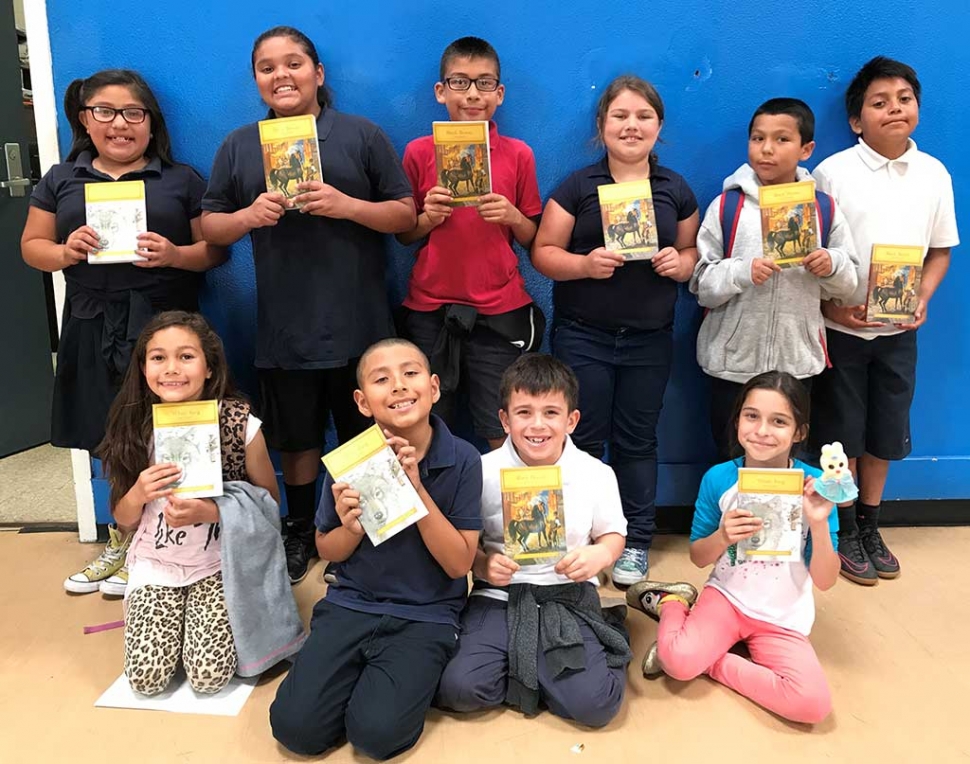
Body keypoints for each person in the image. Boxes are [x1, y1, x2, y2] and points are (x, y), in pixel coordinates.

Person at [201, 26, 416, 584]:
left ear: (318, 74)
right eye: (268, 67)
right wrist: (249, 216)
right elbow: (212, 225)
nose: (282, 75)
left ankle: (372, 533)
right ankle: (300, 529)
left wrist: (346, 205)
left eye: (293, 63)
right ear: (257, 80)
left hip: (360, 324)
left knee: (368, 440)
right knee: (295, 441)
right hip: (285, 327)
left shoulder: (361, 134)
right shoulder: (239, 144)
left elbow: (404, 216)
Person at [21, 69, 225, 596]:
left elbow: (214, 251)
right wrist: (66, 251)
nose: (119, 124)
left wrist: (176, 254)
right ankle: (122, 538)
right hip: (92, 319)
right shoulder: (60, 178)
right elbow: (32, 247)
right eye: (105, 112)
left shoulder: (182, 178)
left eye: (134, 113)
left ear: (150, 122)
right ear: (85, 120)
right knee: (104, 430)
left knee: (172, 429)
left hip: (165, 325)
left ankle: (165, 539)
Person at [269, 338, 482, 760]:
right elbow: (328, 548)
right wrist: (351, 528)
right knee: (295, 729)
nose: (399, 386)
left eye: (410, 373)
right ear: (363, 401)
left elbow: (459, 564)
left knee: (376, 737)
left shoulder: (463, 459)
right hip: (352, 604)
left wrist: (415, 488)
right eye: (382, 380)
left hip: (426, 614)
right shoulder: (348, 461)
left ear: (435, 387)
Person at [531, 74, 700, 584]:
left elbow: (694, 253)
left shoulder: (675, 188)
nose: (631, 125)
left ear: (659, 126)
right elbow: (542, 253)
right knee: (581, 439)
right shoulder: (579, 186)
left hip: (649, 338)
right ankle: (582, 537)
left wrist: (680, 261)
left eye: (643, 116)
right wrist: (583, 266)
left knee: (638, 440)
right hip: (584, 334)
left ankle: (636, 540)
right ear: (601, 125)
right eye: (620, 116)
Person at [809, 57, 959, 585]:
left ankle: (872, 523)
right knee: (841, 436)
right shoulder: (832, 172)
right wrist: (829, 307)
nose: (894, 108)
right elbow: (814, 256)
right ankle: (845, 527)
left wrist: (922, 296)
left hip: (899, 333)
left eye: (904, 98)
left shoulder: (934, 173)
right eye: (879, 102)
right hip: (841, 332)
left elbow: (940, 251)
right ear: (857, 120)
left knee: (885, 434)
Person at [626, 371, 839, 724]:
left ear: (799, 432)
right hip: (727, 598)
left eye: (779, 421)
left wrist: (817, 523)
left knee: (812, 704)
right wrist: (723, 536)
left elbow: (827, 580)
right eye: (751, 416)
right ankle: (673, 602)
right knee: (678, 663)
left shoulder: (814, 486)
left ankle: (713, 660)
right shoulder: (720, 479)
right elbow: (698, 557)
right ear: (737, 419)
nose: (762, 431)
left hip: (782, 618)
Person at [436, 354, 631, 727]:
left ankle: (583, 646)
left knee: (597, 706)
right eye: (524, 412)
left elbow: (614, 534)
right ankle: (540, 670)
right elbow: (464, 543)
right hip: (499, 595)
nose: (537, 425)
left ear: (571, 420)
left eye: (551, 413)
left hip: (567, 594)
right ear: (505, 420)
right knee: (457, 689)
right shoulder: (481, 470)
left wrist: (600, 554)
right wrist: (482, 564)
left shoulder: (596, 473)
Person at [99, 311, 283, 695]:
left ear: (210, 368)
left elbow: (269, 507)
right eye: (158, 358)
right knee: (147, 679)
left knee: (208, 676)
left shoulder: (239, 425)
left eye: (186, 356)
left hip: (221, 564)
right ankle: (162, 615)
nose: (172, 369)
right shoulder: (132, 424)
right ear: (143, 367)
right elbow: (123, 517)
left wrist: (214, 511)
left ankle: (198, 623)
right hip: (156, 562)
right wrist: (138, 493)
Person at [396, 36, 544, 451]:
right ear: (440, 91)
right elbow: (403, 234)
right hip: (430, 309)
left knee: (499, 429)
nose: (473, 94)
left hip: (498, 312)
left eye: (484, 83)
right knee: (425, 423)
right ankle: (433, 514)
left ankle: (496, 516)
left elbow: (533, 237)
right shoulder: (418, 152)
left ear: (499, 94)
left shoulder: (518, 155)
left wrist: (512, 216)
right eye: (460, 82)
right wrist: (428, 218)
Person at [691, 97, 858, 460]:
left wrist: (830, 265)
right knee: (729, 459)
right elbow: (702, 285)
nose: (766, 149)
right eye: (757, 138)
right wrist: (741, 271)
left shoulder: (824, 209)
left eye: (782, 139)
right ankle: (725, 518)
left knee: (787, 461)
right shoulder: (726, 206)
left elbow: (849, 284)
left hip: (796, 364)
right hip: (731, 365)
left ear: (806, 149)